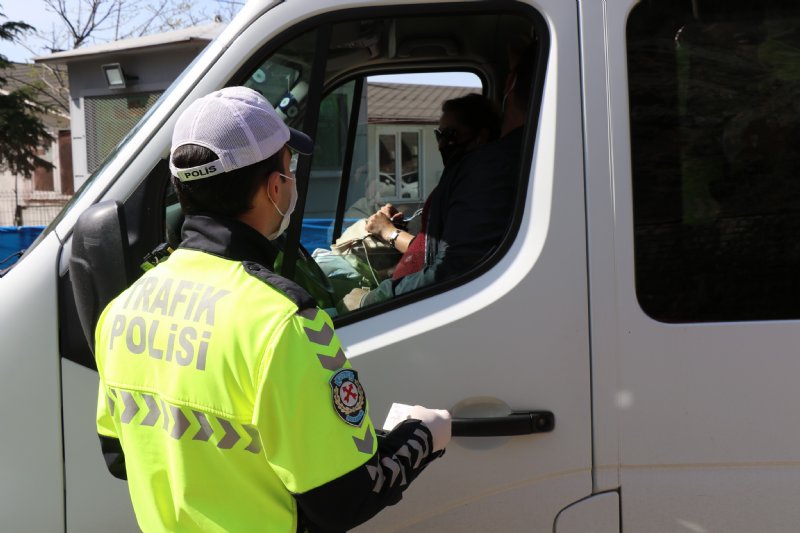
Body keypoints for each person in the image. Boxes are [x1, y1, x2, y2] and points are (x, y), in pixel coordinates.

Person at [93, 86, 451, 532]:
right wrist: (420, 435)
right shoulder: (283, 322)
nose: (291, 178)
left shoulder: (125, 308)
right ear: (273, 187)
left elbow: (119, 456)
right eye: (289, 166)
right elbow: (345, 497)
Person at [343, 39, 534, 310]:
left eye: (451, 135)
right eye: (439, 135)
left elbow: (453, 269)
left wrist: (372, 299)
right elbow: (439, 247)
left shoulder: (486, 172)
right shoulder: (470, 172)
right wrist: (405, 228)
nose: (443, 144)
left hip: (420, 307)